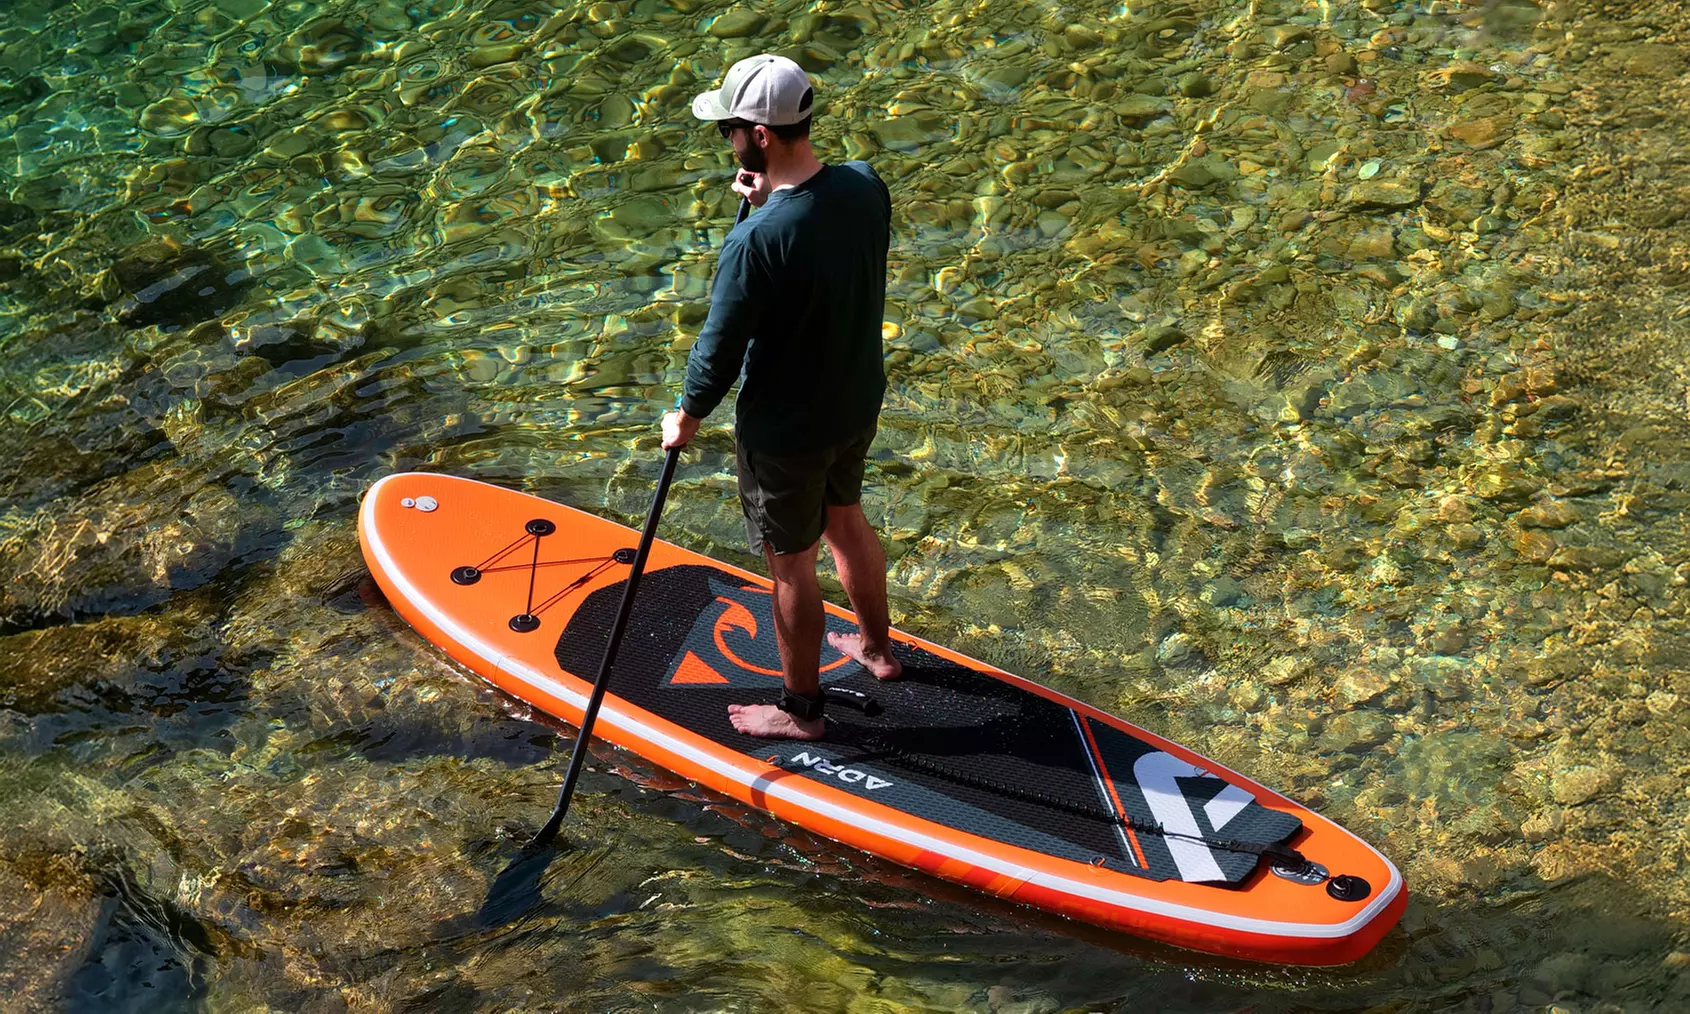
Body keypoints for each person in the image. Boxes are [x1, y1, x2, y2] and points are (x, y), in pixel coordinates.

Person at [659, 53, 901, 741]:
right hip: (856, 401)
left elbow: (719, 346)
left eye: (729, 128)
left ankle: (801, 713)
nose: (727, 139)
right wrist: (768, 201)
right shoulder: (864, 185)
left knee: (791, 565)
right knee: (846, 519)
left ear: (758, 135)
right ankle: (879, 651)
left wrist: (687, 416)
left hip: (787, 432)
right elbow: (818, 243)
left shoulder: (756, 240)